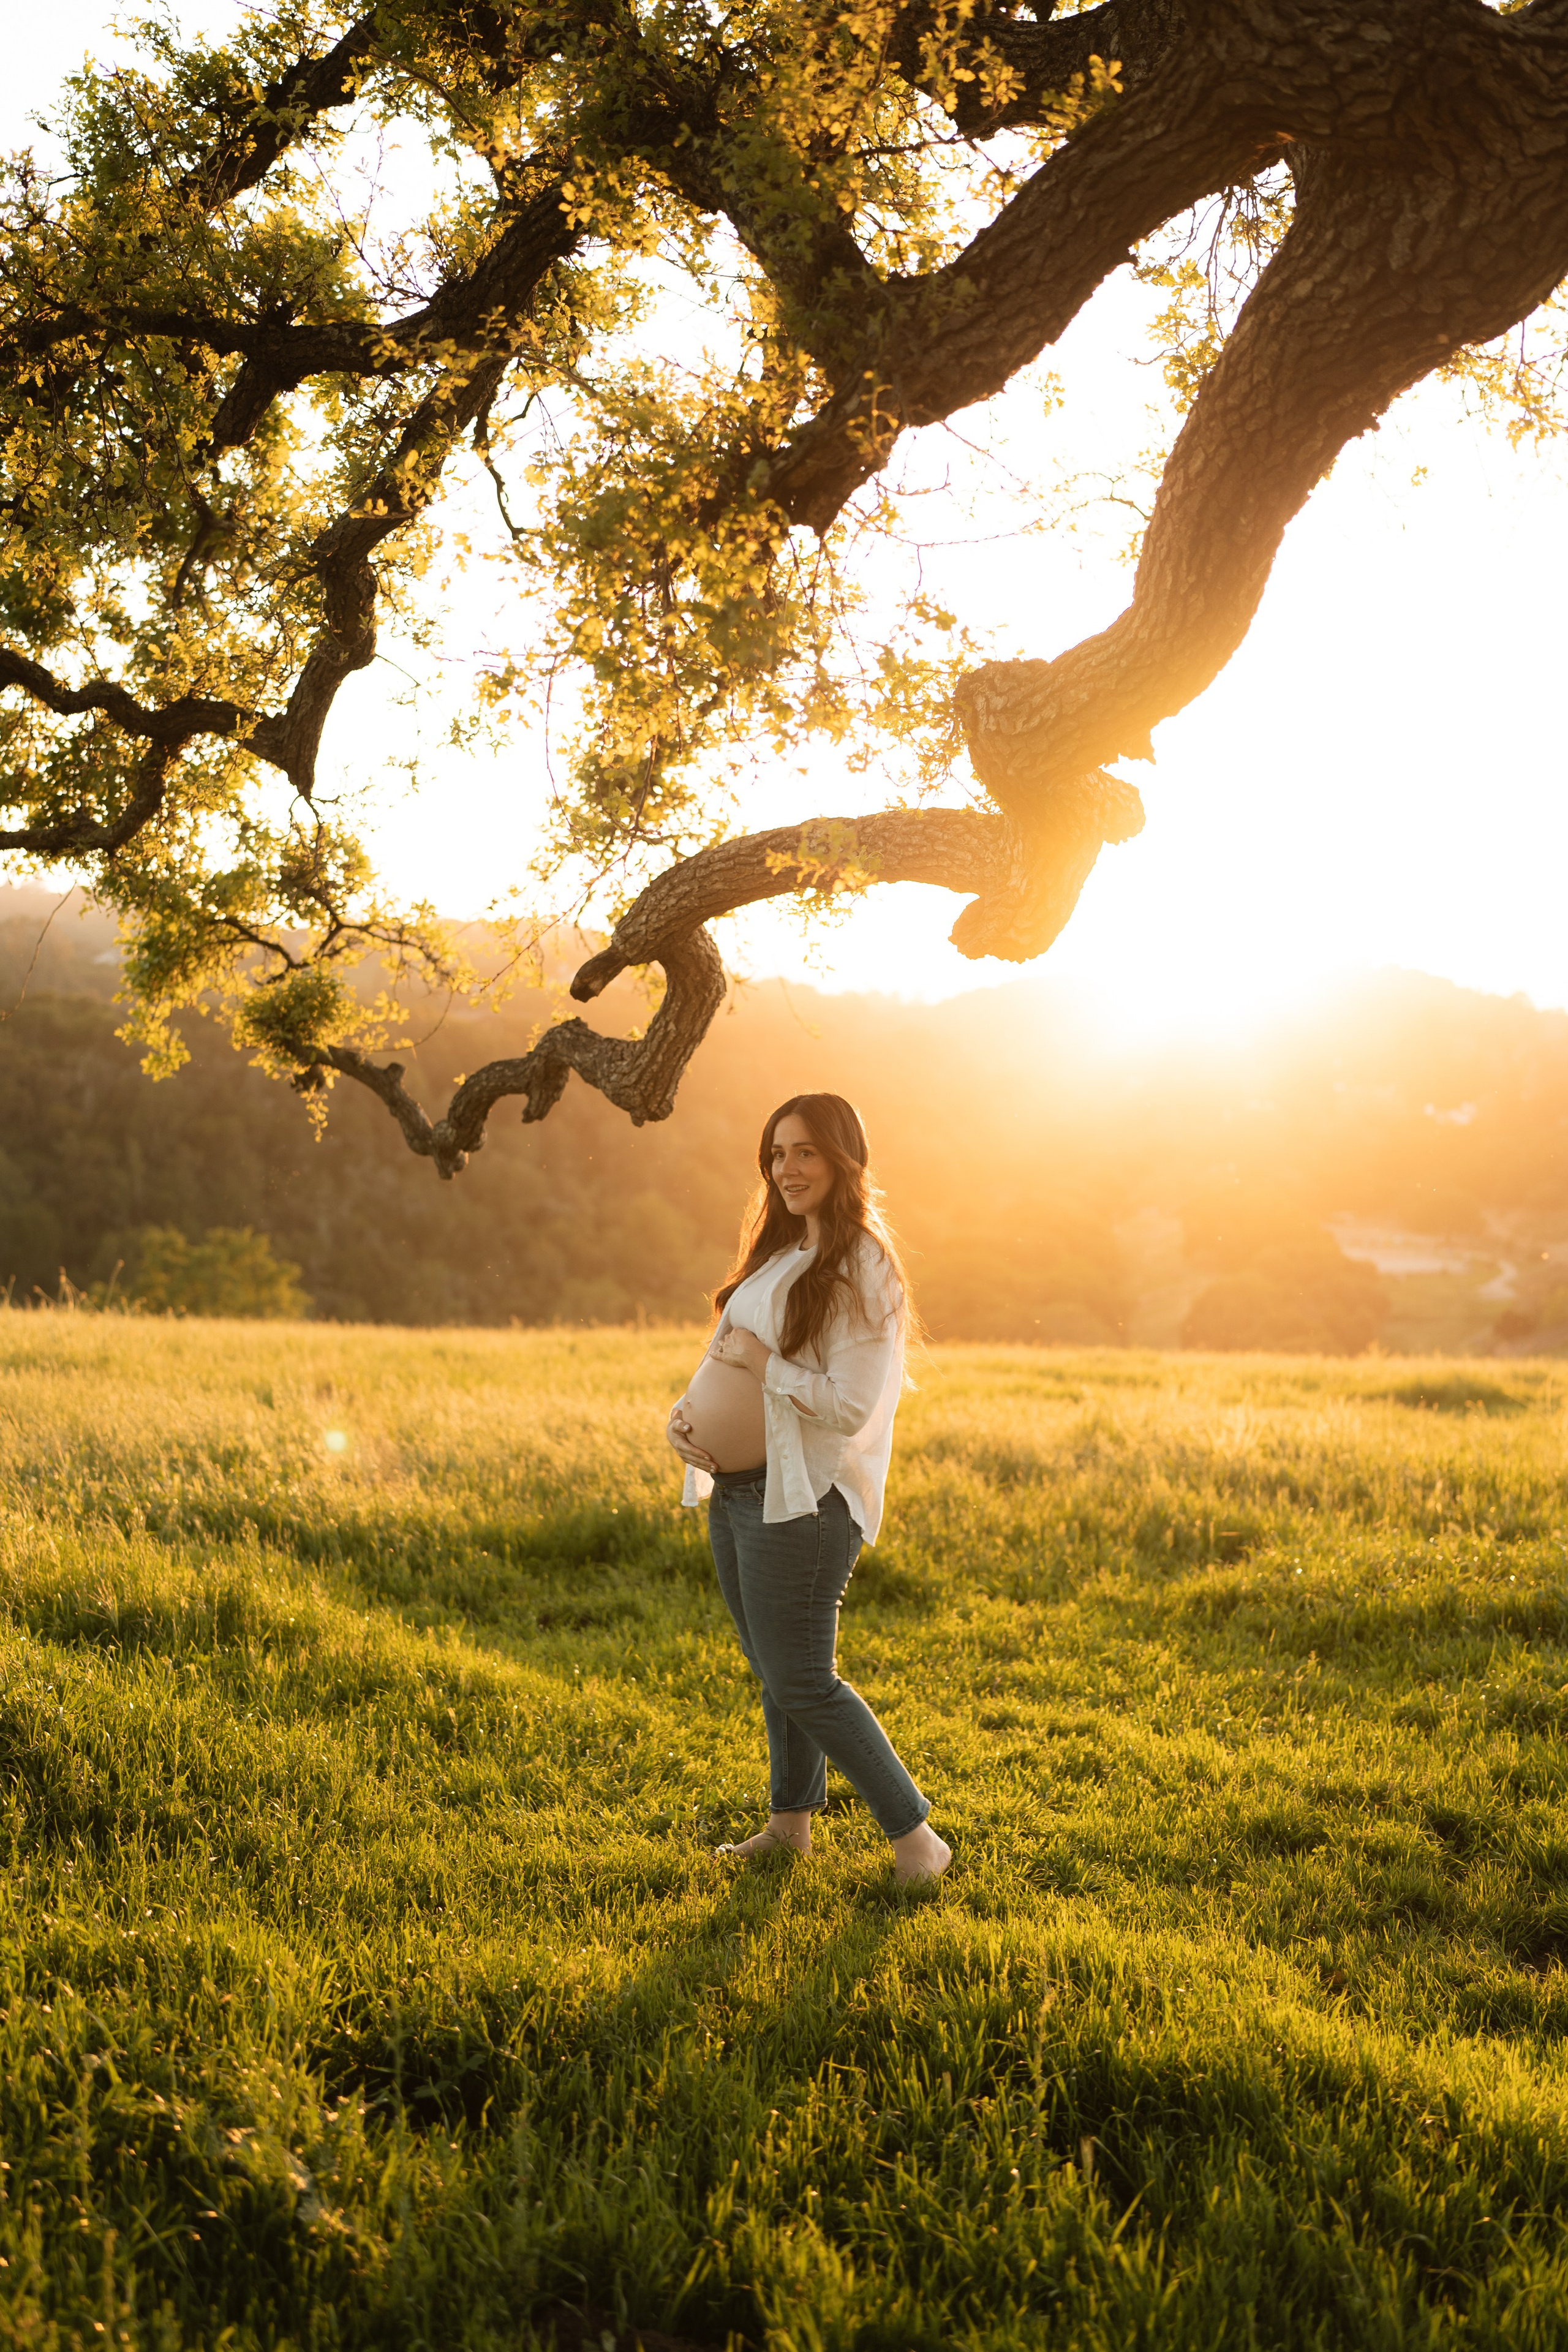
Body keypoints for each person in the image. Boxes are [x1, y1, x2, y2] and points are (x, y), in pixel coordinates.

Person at [667, 1092, 951, 1886]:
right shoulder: (784, 1250)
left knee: (803, 1680)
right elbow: (726, 1352)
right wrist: (684, 1423)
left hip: (804, 1500)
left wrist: (763, 1368)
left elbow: (849, 1404)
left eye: (805, 1152)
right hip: (739, 1492)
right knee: (777, 1671)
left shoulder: (863, 1264)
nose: (785, 1168)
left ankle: (918, 1841)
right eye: (776, 1153)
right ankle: (789, 1828)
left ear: (842, 1159)